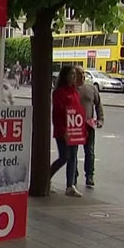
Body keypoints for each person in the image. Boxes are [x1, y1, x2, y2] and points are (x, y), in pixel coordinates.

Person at [50, 66, 86, 197]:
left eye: (75, 74)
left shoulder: (75, 91)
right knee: (64, 157)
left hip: (74, 129)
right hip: (63, 131)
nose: (74, 76)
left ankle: (70, 185)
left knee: (73, 157)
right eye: (71, 74)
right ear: (65, 76)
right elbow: (58, 113)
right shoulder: (59, 92)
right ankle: (47, 177)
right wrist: (63, 130)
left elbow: (77, 110)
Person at [73, 66, 104, 188]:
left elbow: (98, 105)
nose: (82, 75)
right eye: (79, 73)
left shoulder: (91, 88)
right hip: (74, 125)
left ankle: (89, 176)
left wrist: (100, 119)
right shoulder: (71, 89)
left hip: (88, 124)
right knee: (73, 152)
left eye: (83, 73)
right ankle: (73, 176)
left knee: (89, 152)